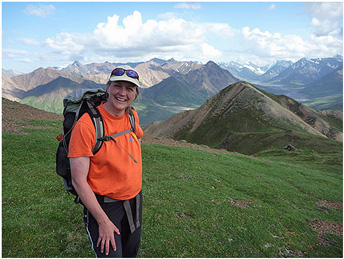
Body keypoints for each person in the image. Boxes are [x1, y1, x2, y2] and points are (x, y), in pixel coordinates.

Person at [68, 67, 144, 258]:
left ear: (135, 94)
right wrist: (102, 221)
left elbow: (138, 138)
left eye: (130, 88)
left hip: (134, 200)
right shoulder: (87, 126)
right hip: (105, 206)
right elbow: (78, 182)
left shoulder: (131, 116)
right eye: (118, 86)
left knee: (130, 253)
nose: (123, 93)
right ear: (108, 87)